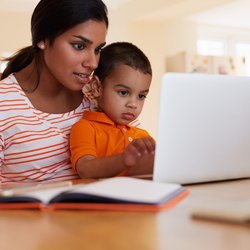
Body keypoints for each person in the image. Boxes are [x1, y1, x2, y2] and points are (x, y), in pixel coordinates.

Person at [0, 0, 109, 183]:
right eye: (79, 46)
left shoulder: (97, 93)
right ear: (43, 38)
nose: (93, 63)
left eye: (98, 49)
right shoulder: (4, 103)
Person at [70, 42, 155, 178]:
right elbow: (85, 169)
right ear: (97, 87)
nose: (133, 104)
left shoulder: (143, 136)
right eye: (123, 92)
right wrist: (124, 159)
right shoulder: (85, 128)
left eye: (141, 96)